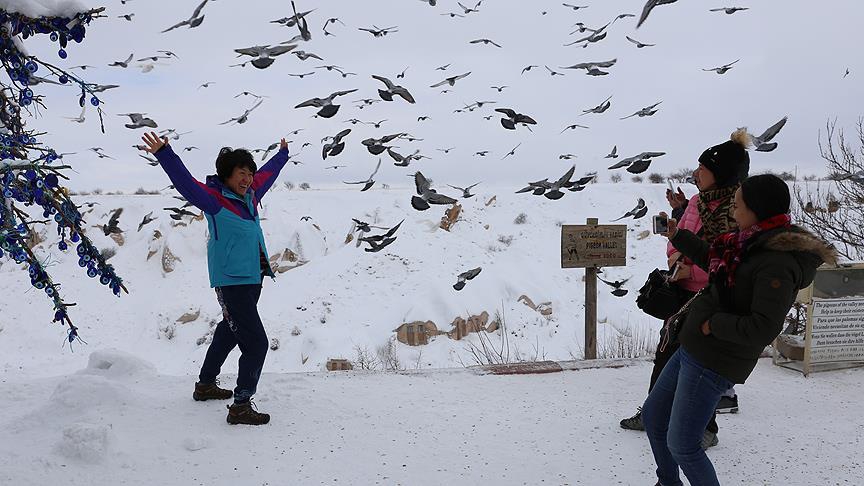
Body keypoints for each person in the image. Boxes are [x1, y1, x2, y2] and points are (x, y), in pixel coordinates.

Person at [642, 173, 836, 486]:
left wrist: (711, 324)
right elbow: (713, 258)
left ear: (756, 209)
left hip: (714, 359)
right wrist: (677, 235)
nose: (733, 211)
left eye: (737, 205)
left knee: (684, 445)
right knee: (653, 417)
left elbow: (762, 328)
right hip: (693, 347)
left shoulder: (777, 262)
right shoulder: (748, 240)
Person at [141, 131, 291, 425]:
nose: (247, 179)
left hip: (251, 278)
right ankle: (240, 405)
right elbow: (185, 183)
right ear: (226, 175)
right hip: (231, 282)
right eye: (240, 174)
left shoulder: (250, 197)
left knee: (229, 330)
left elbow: (267, 176)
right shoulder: (214, 200)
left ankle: (206, 385)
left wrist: (282, 155)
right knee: (256, 343)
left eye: (249, 173)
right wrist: (164, 154)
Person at [621, 130, 751, 446]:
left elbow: (726, 262)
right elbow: (677, 240)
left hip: (710, 297)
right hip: (681, 292)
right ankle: (653, 414)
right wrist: (677, 254)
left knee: (700, 364)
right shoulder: (695, 202)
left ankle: (706, 429)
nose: (696, 173)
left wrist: (688, 264)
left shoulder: (737, 211)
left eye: (703, 169)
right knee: (666, 355)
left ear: (719, 174)